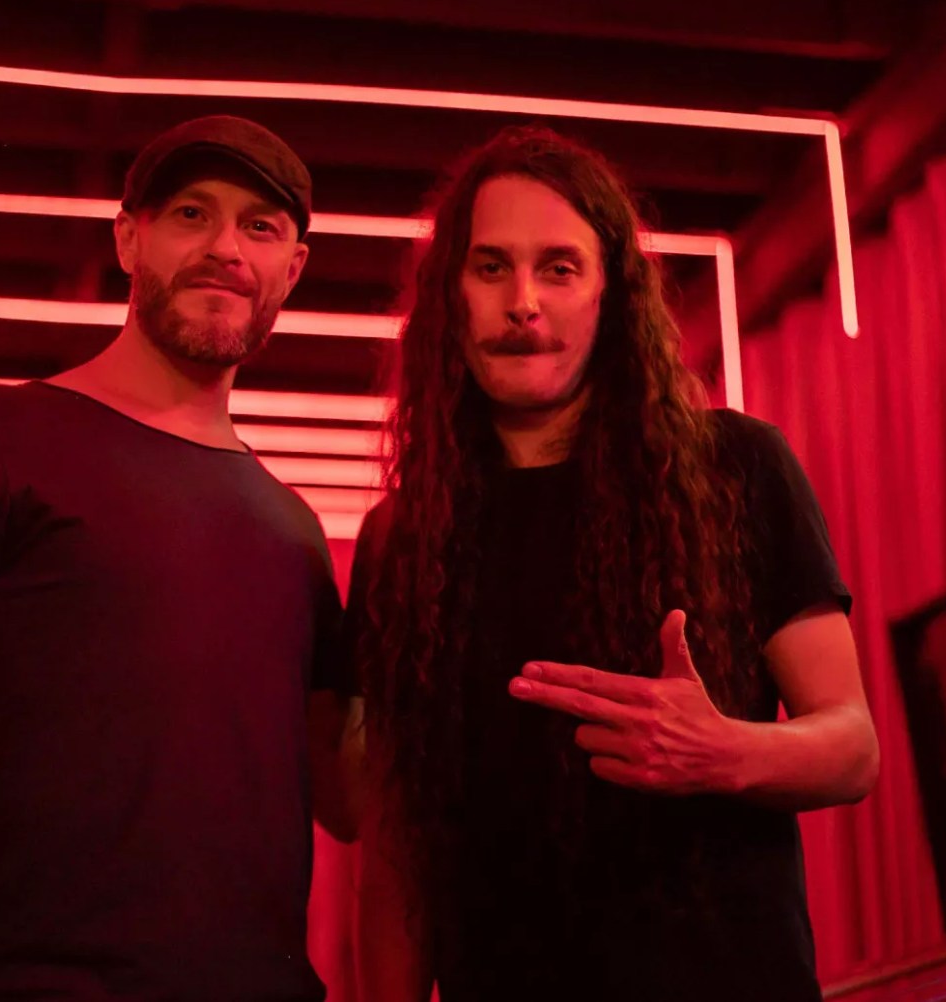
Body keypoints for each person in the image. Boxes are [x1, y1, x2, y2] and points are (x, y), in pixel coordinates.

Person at [0, 115, 358, 1001]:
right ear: (128, 236)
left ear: (294, 268)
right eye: (190, 214)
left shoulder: (292, 527)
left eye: (260, 226)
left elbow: (351, 799)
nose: (224, 248)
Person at [347, 125, 880, 1002]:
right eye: (491, 267)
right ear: (451, 296)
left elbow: (852, 749)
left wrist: (722, 752)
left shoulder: (737, 467)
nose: (524, 301)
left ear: (611, 297)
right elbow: (399, 846)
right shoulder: (400, 539)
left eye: (559, 267)